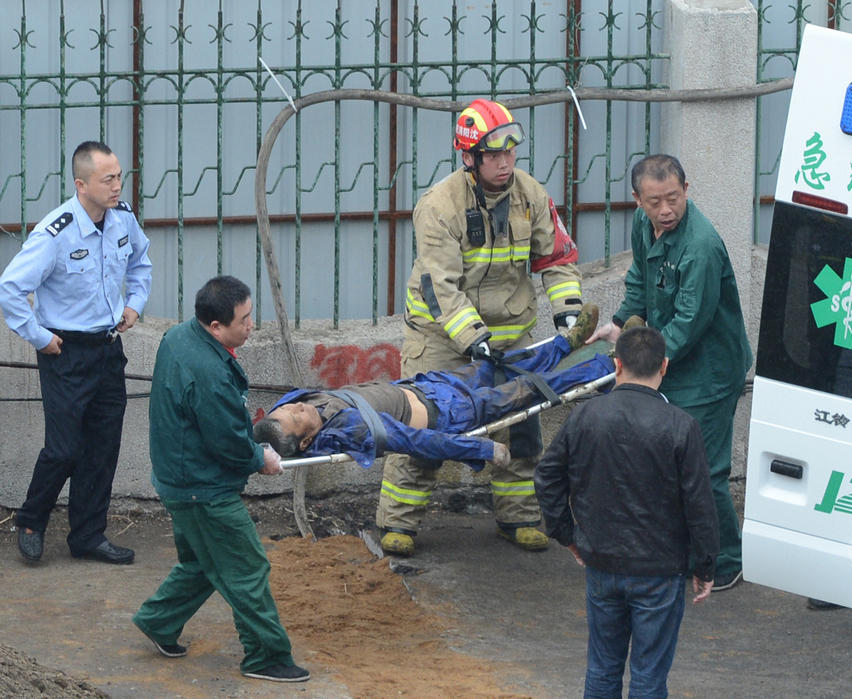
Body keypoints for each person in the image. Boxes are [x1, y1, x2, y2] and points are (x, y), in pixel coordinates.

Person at [377, 97, 587, 556]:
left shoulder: (531, 196)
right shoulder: (439, 206)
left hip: (511, 335)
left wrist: (568, 311)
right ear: (470, 158)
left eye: (510, 152)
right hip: (441, 337)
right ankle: (399, 523)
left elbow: (557, 258)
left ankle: (519, 518)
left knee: (520, 428)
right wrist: (474, 339)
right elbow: (440, 287)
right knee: (426, 425)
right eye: (493, 155)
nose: (505, 162)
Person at [588, 154, 753, 591]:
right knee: (670, 465)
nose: (665, 210)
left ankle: (726, 562)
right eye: (655, 202)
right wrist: (620, 324)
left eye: (673, 199)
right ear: (638, 200)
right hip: (669, 365)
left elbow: (688, 321)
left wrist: (643, 365)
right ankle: (684, 549)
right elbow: (640, 281)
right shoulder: (646, 227)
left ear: (686, 190)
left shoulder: (701, 246)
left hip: (709, 372)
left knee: (706, 470)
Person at [132, 276, 309, 683]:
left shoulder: (179, 336)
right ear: (215, 326)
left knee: (202, 562)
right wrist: (259, 458)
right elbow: (227, 441)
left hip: (179, 478)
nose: (251, 326)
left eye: (250, 315)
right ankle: (265, 656)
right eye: (244, 320)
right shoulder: (208, 372)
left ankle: (159, 621)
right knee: (246, 568)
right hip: (203, 489)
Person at [535, 326, 719, 698]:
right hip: (660, 570)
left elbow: (547, 476)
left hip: (601, 563)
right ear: (664, 366)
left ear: (617, 365)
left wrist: (568, 535)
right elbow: (700, 504)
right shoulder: (682, 426)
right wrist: (705, 566)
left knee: (602, 669)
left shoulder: (586, 415)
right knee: (649, 677)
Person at [0, 141, 152, 565]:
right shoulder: (56, 232)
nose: (117, 186)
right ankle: (31, 520)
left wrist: (134, 303)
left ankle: (88, 535)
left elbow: (141, 262)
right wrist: (39, 337)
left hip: (108, 349)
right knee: (64, 449)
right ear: (81, 185)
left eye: (119, 176)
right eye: (108, 179)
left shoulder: (123, 220)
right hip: (64, 351)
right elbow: (10, 288)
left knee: (103, 447)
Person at [254, 306, 608, 470]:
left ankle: (565, 344)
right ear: (305, 442)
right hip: (452, 414)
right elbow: (418, 442)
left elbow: (273, 424)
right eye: (296, 416)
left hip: (432, 386)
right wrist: (482, 450)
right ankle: (605, 368)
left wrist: (253, 443)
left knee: (498, 365)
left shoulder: (300, 404)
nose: (297, 406)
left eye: (288, 407)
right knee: (527, 390)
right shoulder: (351, 430)